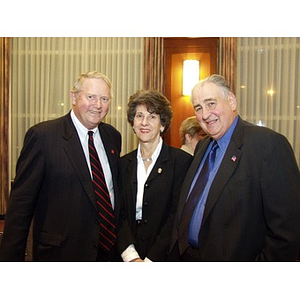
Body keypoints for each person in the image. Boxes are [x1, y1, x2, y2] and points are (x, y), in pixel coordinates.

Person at [169, 74, 300, 261]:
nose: (205, 114)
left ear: (231, 101)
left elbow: (287, 232)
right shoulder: (202, 147)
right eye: (198, 108)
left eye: (211, 103)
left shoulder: (267, 145)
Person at [0, 71, 122, 261]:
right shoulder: (43, 137)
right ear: (73, 96)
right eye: (91, 97)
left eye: (104, 99)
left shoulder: (113, 137)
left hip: (107, 253)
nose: (98, 105)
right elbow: (20, 207)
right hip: (61, 253)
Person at [117, 90, 193, 262]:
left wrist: (151, 261)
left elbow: (177, 216)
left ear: (162, 124)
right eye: (139, 116)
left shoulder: (181, 162)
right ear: (133, 123)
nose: (144, 122)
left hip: (165, 257)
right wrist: (131, 257)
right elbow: (118, 214)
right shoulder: (122, 164)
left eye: (152, 117)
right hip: (127, 256)